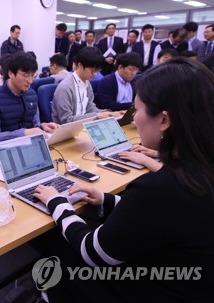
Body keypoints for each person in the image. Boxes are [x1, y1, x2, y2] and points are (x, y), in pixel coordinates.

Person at [33, 57, 214, 303]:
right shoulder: (199, 170)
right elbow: (157, 217)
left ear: (164, 120)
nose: (134, 118)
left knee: (55, 242)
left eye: (137, 110)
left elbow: (93, 253)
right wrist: (105, 200)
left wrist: (56, 203)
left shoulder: (161, 187)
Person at [0, 52, 58, 144]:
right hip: (8, 149)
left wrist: (43, 126)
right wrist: (23, 133)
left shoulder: (32, 94)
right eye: (25, 75)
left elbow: (35, 124)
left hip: (32, 144)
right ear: (11, 73)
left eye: (33, 75)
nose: (30, 81)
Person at [52, 47, 123, 124]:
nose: (95, 74)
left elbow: (90, 108)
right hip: (67, 131)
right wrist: (97, 115)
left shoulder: (87, 83)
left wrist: (110, 113)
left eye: (98, 70)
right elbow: (66, 120)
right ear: (80, 65)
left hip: (83, 127)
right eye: (92, 70)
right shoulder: (65, 87)